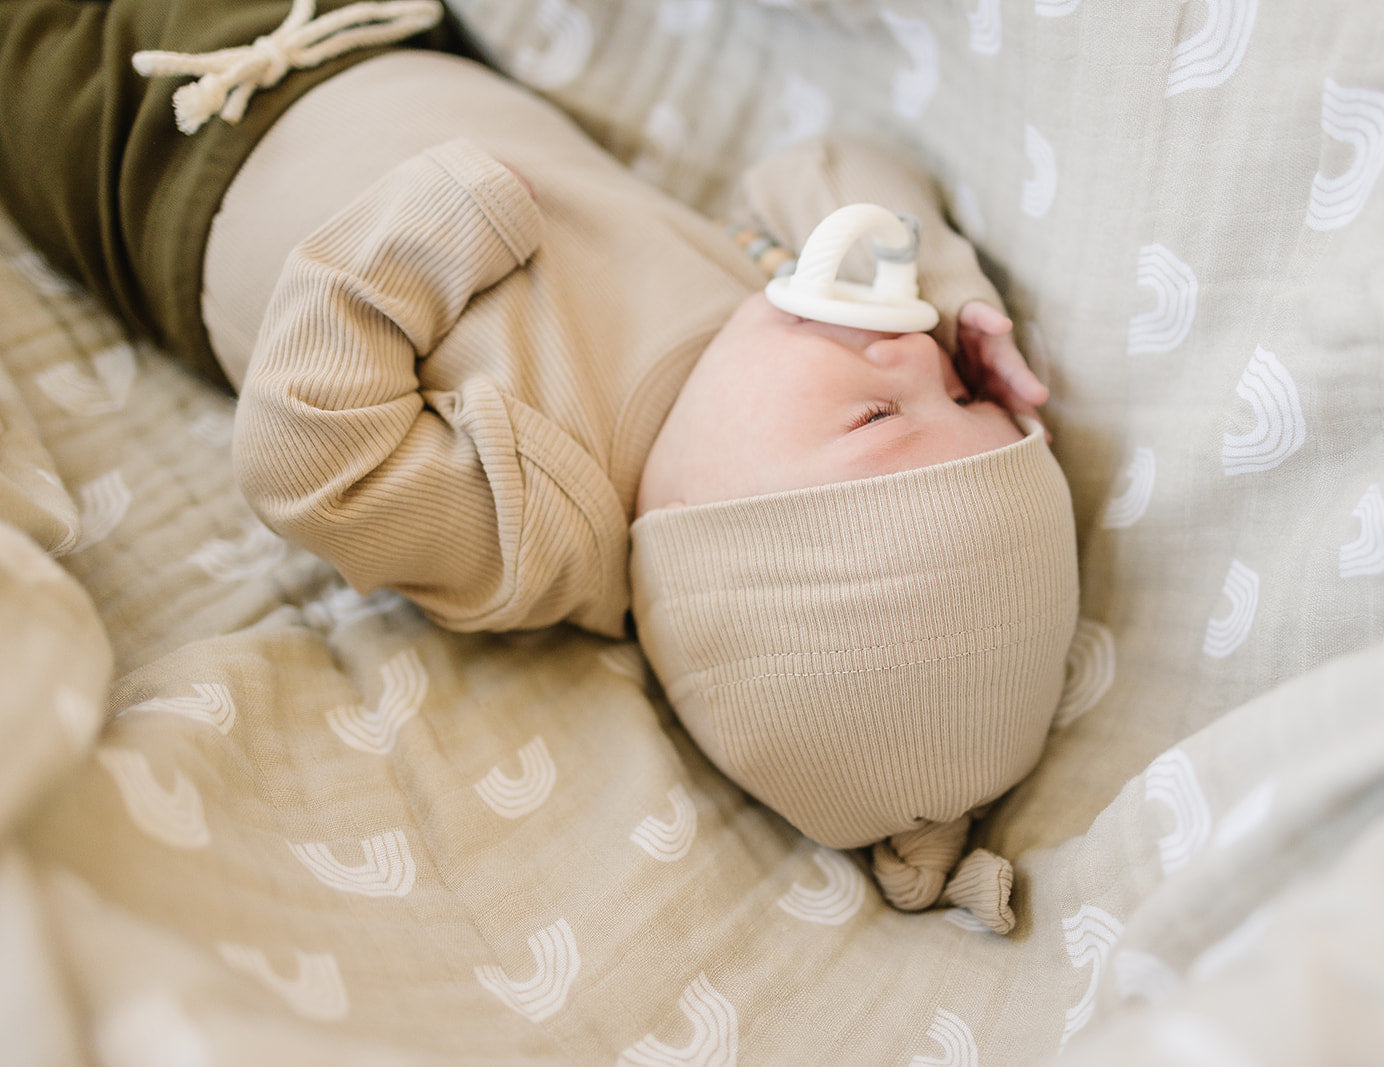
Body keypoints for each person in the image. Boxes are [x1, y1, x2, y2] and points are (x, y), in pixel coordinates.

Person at [0, 0, 1079, 933]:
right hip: (360, 35)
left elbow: (306, 458)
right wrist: (943, 278)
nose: (912, 354)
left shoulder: (539, 528)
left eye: (880, 415)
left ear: (729, 545)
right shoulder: (748, 299)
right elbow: (826, 170)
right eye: (965, 395)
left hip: (145, 157)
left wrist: (422, 241)